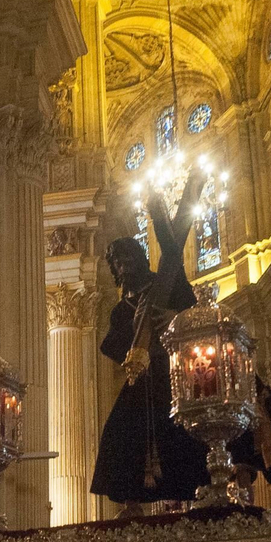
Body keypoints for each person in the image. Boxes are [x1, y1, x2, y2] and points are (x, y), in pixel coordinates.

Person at [90, 181, 206, 512]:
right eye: (117, 264)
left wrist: (172, 316)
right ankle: (132, 500)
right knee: (120, 431)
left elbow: (194, 312)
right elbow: (110, 346)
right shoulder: (119, 309)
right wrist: (130, 349)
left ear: (139, 260)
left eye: (127, 260)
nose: (123, 268)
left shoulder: (165, 284)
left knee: (183, 429)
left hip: (171, 373)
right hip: (139, 377)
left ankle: (190, 498)